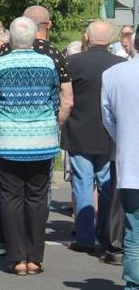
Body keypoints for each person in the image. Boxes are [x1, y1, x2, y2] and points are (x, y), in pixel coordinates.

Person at [0, 17, 61, 276]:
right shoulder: (48, 62)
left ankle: (17, 258)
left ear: (10, 39)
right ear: (32, 39)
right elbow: (54, 100)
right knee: (38, 198)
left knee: (12, 197)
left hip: (9, 140)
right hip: (41, 139)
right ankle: (35, 259)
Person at [62, 21, 125, 253]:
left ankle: (85, 237)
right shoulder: (120, 64)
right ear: (110, 40)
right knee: (107, 185)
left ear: (86, 38)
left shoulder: (72, 62)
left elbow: (65, 97)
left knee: (82, 184)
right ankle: (108, 236)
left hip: (79, 133)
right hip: (110, 134)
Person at [101, 38, 139, 289]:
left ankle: (134, 284)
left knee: (134, 232)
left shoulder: (113, 74)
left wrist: (124, 141)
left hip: (131, 163)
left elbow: (108, 118)